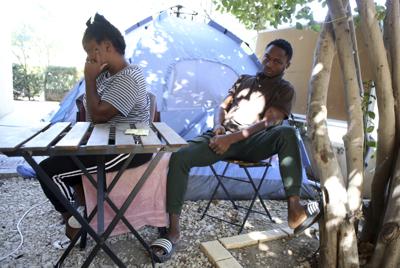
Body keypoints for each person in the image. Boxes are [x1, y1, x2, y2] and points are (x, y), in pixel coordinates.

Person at [150, 39, 321, 261]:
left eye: (277, 61)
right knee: (180, 156)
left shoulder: (284, 89)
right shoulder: (244, 80)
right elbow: (222, 106)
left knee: (287, 133)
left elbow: (270, 121)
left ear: (287, 65)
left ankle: (295, 210)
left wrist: (233, 138)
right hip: (222, 137)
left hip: (253, 143)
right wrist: (219, 128)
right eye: (267, 57)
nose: (269, 64)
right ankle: (172, 230)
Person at [37, 13, 153, 249]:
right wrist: (94, 81)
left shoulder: (128, 76)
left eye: (91, 52)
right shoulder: (108, 76)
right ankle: (81, 212)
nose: (88, 59)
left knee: (48, 171)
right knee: (57, 162)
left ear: (107, 46)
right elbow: (93, 117)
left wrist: (89, 80)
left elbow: (98, 117)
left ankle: (74, 220)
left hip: (129, 148)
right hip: (108, 141)